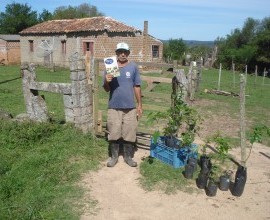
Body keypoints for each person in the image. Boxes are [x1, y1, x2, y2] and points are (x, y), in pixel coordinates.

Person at [103, 42, 143, 167]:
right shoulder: (110, 67)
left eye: (125, 52)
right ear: (116, 53)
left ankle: (128, 157)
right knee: (114, 132)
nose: (122, 54)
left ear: (128, 53)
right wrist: (106, 81)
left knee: (129, 133)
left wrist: (139, 104)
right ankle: (114, 157)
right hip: (114, 106)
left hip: (130, 107)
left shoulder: (133, 67)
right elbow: (106, 89)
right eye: (120, 51)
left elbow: (137, 86)